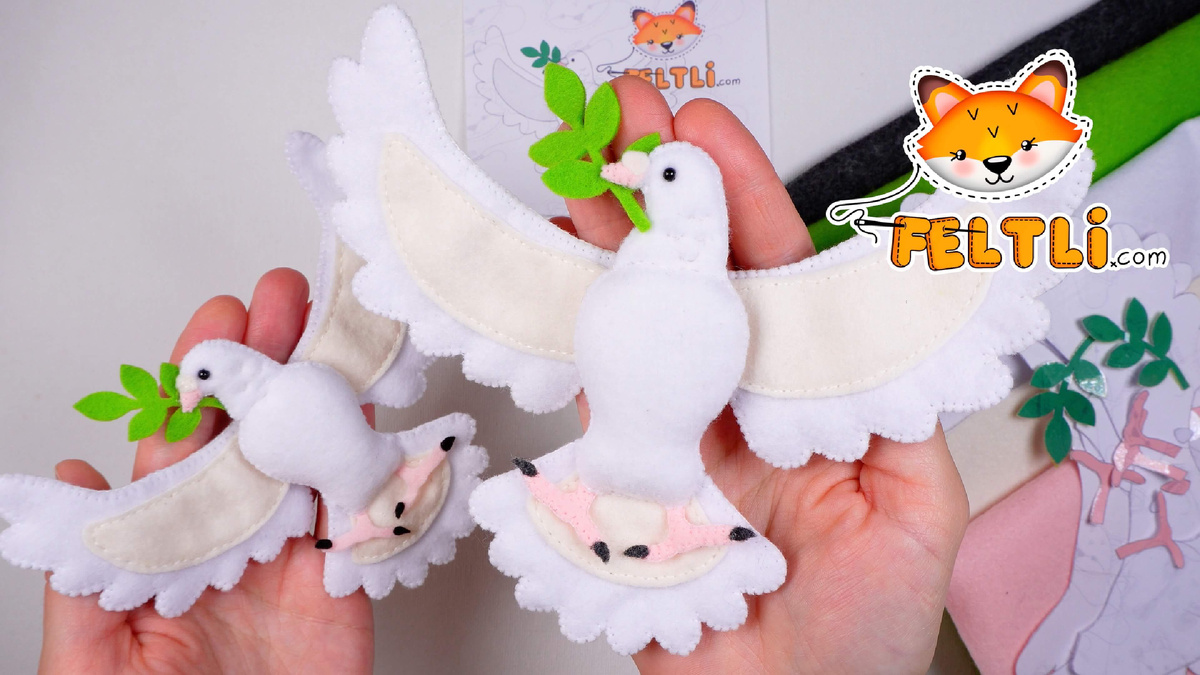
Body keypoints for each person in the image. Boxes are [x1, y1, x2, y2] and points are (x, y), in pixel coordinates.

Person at [40, 76, 968, 674]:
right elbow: (439, 235)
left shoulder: (743, 312)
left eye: (662, 178)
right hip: (470, 488)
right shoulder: (617, 288)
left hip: (683, 486)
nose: (639, 176)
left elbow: (914, 308)